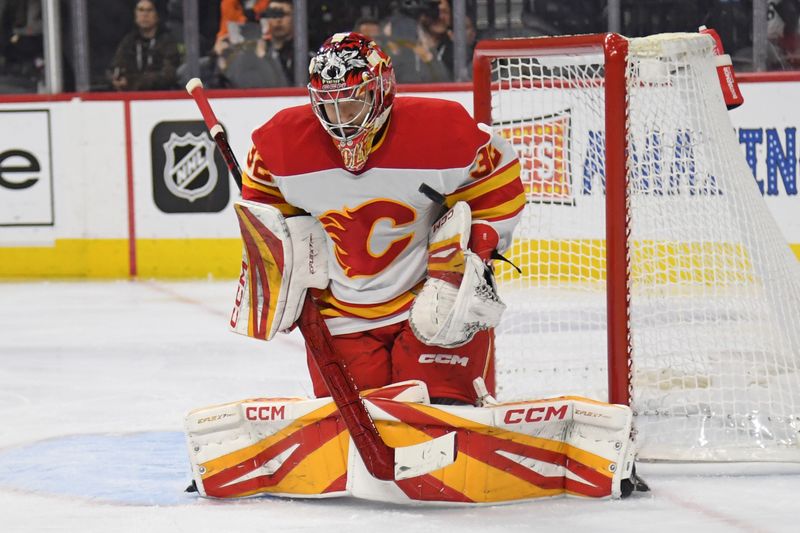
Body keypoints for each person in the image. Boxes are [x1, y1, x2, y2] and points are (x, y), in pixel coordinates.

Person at [239, 32, 524, 405]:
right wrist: (280, 262)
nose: (341, 121)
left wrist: (473, 256)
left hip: (432, 301)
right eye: (329, 106)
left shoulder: (439, 130)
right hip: (340, 314)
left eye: (352, 104)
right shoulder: (279, 144)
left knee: (444, 410)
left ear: (383, 90)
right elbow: (265, 205)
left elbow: (497, 184)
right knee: (357, 427)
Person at [108, 0, 180, 91]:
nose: (145, 15)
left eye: (149, 10)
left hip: (161, 97)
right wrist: (115, 79)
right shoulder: (129, 41)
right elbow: (115, 66)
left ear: (157, 16)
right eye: (141, 10)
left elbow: (169, 74)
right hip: (132, 96)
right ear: (135, 15)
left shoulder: (167, 41)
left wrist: (132, 82)